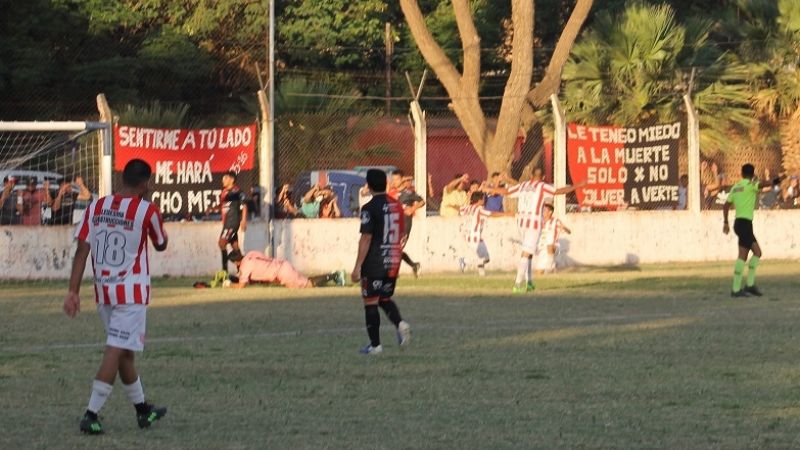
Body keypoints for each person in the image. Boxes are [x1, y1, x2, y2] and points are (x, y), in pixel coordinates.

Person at [62, 159, 169, 435]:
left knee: (124, 354)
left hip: (104, 293)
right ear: (145, 183)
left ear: (122, 178)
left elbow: (82, 251)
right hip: (130, 295)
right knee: (115, 351)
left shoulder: (96, 207)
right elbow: (161, 243)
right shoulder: (147, 210)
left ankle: (143, 410)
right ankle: (91, 414)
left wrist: (73, 291)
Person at [488, 168, 584, 293]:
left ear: (531, 175)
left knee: (529, 252)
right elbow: (559, 191)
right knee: (526, 253)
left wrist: (491, 189)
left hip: (521, 222)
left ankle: (529, 282)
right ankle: (517, 284)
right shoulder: (542, 187)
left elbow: (506, 191)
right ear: (543, 177)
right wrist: (578, 185)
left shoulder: (523, 185)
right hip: (533, 223)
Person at [351, 169, 411, 355]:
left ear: (368, 186)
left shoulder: (368, 208)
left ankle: (375, 345)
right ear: (386, 184)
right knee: (384, 298)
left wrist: (358, 266)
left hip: (375, 261)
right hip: (393, 259)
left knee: (370, 302)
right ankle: (400, 324)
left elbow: (366, 238)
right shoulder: (397, 205)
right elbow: (401, 233)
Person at [723, 163, 784, 297]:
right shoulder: (751, 186)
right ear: (753, 173)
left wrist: (726, 222)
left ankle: (748, 286)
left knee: (755, 253)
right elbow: (767, 183)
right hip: (745, 224)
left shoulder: (736, 187)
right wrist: (780, 179)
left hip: (739, 223)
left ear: (741, 173)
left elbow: (726, 205)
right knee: (748, 255)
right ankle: (737, 289)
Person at [227, 249, 344, 288]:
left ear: (235, 262)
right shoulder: (251, 253)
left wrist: (228, 285)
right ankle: (333, 275)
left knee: (308, 285)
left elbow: (242, 286)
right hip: (282, 264)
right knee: (305, 280)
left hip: (282, 272)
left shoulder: (244, 266)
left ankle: (335, 275)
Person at [459, 191, 509, 276]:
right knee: (483, 258)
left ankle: (482, 274)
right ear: (479, 200)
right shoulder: (479, 209)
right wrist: (506, 214)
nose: (484, 200)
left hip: (468, 235)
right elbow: (491, 214)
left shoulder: (466, 208)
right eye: (483, 198)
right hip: (474, 236)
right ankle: (464, 261)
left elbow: (460, 210)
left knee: (485, 257)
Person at [390, 170, 424, 277]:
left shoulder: (408, 193)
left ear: (402, 179)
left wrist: (412, 208)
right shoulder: (392, 193)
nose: (394, 181)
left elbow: (422, 201)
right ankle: (414, 265)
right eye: (393, 179)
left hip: (404, 226)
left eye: (397, 179)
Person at [215, 171, 247, 273]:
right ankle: (242, 271)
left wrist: (244, 220)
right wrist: (212, 209)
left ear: (232, 180)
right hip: (227, 222)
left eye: (225, 178)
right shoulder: (224, 192)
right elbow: (223, 205)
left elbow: (244, 205)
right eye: (223, 178)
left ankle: (224, 272)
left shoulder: (237, 191)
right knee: (235, 247)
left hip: (232, 222)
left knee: (222, 244)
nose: (222, 180)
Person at [534, 203, 572, 274]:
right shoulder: (540, 222)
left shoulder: (555, 221)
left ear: (550, 212)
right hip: (542, 249)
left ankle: (550, 268)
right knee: (539, 273)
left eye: (545, 210)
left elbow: (569, 232)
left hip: (554, 246)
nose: (543, 212)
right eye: (543, 210)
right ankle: (552, 267)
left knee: (549, 245)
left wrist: (564, 228)